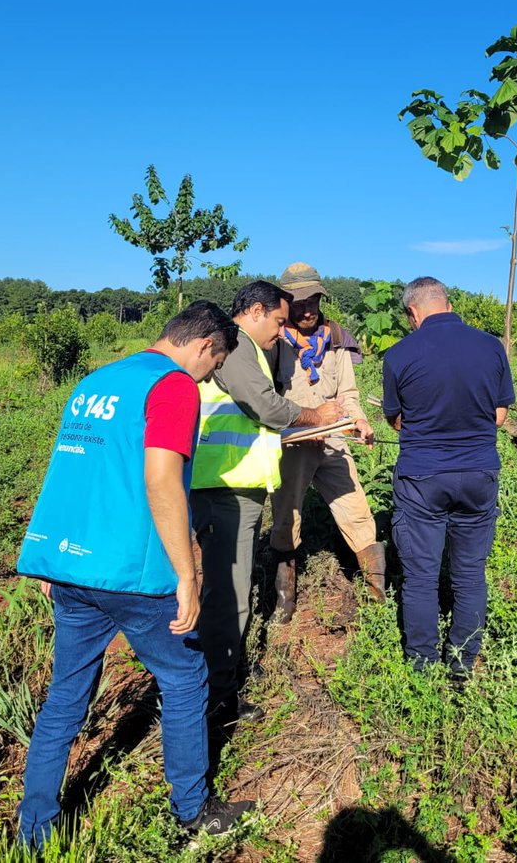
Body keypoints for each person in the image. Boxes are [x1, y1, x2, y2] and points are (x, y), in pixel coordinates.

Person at [15, 301, 251, 848]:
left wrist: (51, 557)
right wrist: (187, 574)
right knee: (185, 678)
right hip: (134, 572)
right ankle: (192, 809)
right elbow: (162, 478)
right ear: (203, 347)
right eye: (214, 366)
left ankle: (34, 832)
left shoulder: (98, 381)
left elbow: (71, 468)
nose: (210, 376)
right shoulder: (173, 386)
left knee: (67, 697)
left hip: (73, 567)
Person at [190, 280, 344, 724]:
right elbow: (264, 406)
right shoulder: (235, 344)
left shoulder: (247, 349)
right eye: (278, 321)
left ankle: (217, 683)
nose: (282, 331)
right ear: (255, 311)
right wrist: (316, 416)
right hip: (225, 490)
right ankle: (217, 699)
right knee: (229, 596)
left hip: (235, 488)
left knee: (227, 589)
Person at [381, 277, 514, 680]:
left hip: (423, 477)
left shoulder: (399, 354)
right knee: (470, 573)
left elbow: (396, 421)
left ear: (412, 312)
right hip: (478, 474)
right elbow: (500, 416)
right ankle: (462, 664)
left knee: (421, 577)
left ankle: (421, 668)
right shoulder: (491, 346)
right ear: (449, 303)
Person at [269, 262, 385, 622]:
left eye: (313, 301)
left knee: (358, 511)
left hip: (334, 441)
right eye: (299, 303)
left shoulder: (335, 338)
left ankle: (377, 596)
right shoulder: (272, 342)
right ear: (285, 303)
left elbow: (348, 392)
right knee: (286, 519)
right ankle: (284, 602)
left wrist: (359, 419)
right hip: (293, 444)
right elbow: (267, 398)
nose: (307, 311)